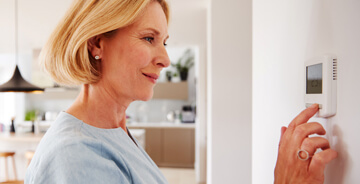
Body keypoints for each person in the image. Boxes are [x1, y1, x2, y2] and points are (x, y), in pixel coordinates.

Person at [25, 0, 337, 183]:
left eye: (165, 41)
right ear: (96, 44)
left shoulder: (113, 131)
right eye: (149, 38)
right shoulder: (75, 156)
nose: (165, 59)